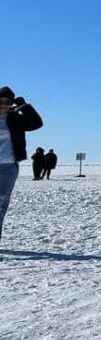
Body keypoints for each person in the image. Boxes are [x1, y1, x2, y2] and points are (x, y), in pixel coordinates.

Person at [0, 86, 44, 243]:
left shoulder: (16, 119)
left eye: (7, 102)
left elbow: (37, 123)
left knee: (1, 204)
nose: (4, 105)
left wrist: (23, 105)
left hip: (8, 167)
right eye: (0, 101)